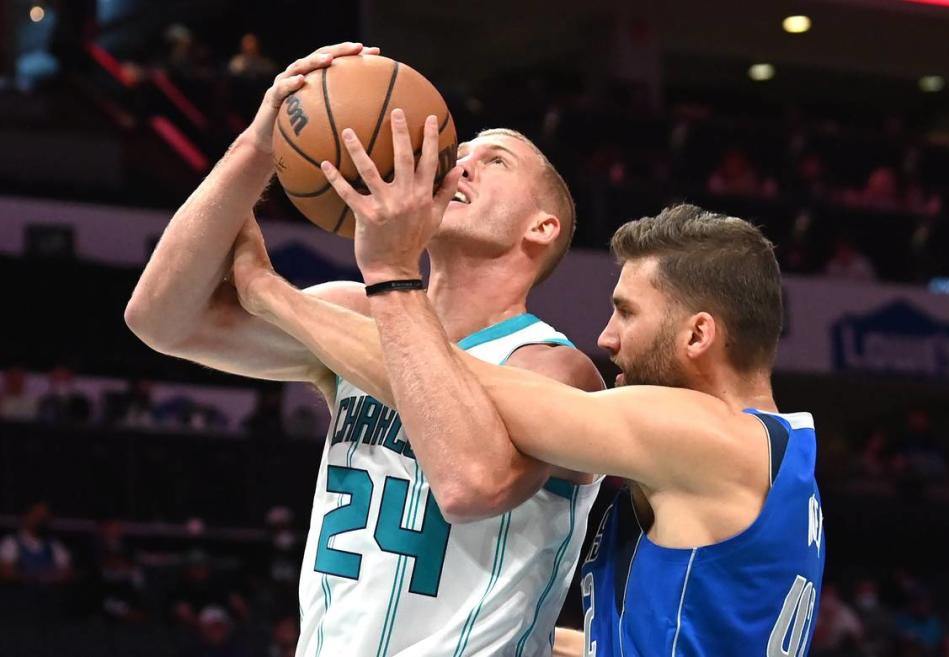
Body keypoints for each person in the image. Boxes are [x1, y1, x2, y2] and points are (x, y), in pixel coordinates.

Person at [125, 42, 605, 656]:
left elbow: (471, 484)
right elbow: (160, 320)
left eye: (496, 161)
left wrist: (278, 290)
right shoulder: (357, 313)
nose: (461, 166)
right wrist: (260, 144)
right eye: (460, 156)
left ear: (542, 226)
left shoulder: (553, 366)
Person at [231, 192, 825, 655]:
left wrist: (281, 292)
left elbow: (475, 388)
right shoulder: (779, 454)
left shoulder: (705, 435)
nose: (606, 338)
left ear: (698, 334)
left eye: (626, 312)